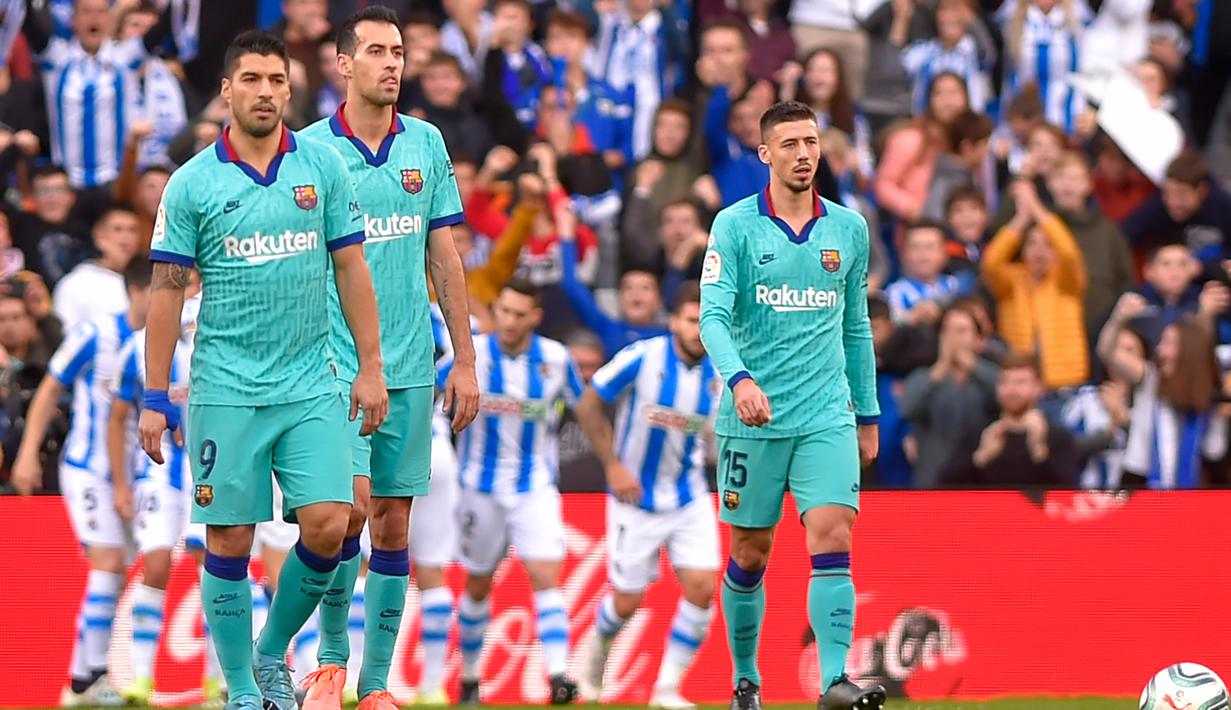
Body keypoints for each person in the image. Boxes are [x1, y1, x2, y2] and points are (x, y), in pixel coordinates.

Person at [139, 31, 388, 710]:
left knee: (333, 523)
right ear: (227, 89)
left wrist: (370, 366)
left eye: (277, 80)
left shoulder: (322, 168)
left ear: (290, 88)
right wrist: (153, 394)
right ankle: (246, 692)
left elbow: (351, 268)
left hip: (311, 381)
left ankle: (270, 648)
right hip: (226, 388)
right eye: (251, 79)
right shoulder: (193, 182)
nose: (265, 92)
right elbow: (165, 291)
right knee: (229, 537)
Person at [297, 9, 480, 709]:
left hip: (411, 364)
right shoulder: (309, 150)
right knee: (345, 512)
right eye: (375, 51)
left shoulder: (426, 144)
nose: (392, 63)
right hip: (333, 364)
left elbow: (445, 257)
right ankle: (329, 668)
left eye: (398, 51)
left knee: (394, 525)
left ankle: (374, 686)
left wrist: (461, 359)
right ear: (343, 64)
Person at [698, 101, 884, 709]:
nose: (804, 154)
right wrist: (741, 380)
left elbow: (856, 327)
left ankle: (834, 681)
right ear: (766, 154)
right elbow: (713, 319)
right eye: (790, 144)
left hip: (827, 414)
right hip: (753, 420)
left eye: (811, 142)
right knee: (750, 552)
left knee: (833, 536)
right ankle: (746, 680)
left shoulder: (849, 230)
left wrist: (868, 412)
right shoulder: (734, 226)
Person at [9, 259, 152, 706]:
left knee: (117, 569)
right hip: (88, 468)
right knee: (108, 562)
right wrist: (29, 453)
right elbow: (50, 389)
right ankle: (84, 681)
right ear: (135, 291)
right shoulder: (95, 334)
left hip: (139, 474)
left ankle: (84, 677)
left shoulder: (169, 342)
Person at [573, 281, 721, 710]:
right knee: (626, 602)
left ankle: (666, 690)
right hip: (633, 498)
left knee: (702, 587)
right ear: (674, 321)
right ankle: (594, 659)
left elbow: (716, 442)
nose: (698, 330)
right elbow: (588, 403)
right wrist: (614, 466)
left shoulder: (721, 373)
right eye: (691, 320)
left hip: (688, 495)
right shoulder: (644, 356)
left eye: (705, 321)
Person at [448, 278, 584, 706]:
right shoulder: (471, 356)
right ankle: (470, 678)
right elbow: (433, 394)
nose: (509, 321)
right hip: (478, 487)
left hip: (534, 486)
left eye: (519, 314)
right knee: (477, 584)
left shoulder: (557, 360)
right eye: (504, 311)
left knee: (546, 575)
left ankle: (559, 675)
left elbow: (587, 407)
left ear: (535, 318)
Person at [106, 278, 224, 705]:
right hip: (158, 473)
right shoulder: (137, 347)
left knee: (212, 566)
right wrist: (121, 481)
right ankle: (139, 678)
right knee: (155, 564)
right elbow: (117, 416)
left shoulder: (217, 333)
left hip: (209, 467)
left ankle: (219, 677)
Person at [410, 304, 470, 705]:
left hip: (377, 442)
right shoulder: (445, 316)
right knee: (432, 571)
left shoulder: (356, 294)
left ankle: (345, 677)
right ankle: (432, 687)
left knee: (358, 566)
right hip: (436, 447)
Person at [1098, 303, 1227, 489]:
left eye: (1168, 343)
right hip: (1140, 484)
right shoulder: (1150, 378)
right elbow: (1107, 352)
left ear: (1188, 350)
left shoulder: (1208, 396)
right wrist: (1118, 318)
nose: (1160, 350)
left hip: (1191, 491)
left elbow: (1214, 452)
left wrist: (1218, 420)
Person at [981, 180, 1089, 390]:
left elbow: (1068, 252)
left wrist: (1036, 208)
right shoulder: (1010, 282)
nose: (1039, 251)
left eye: (1047, 244)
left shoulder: (1068, 282)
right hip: (1021, 384)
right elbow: (991, 262)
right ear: (1022, 250)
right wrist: (1021, 219)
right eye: (1032, 243)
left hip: (1065, 382)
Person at [939, 351, 1081, 486]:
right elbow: (942, 488)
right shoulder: (978, 435)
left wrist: (1039, 451)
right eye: (1005, 382)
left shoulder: (1058, 439)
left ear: (1039, 388)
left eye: (1020, 382)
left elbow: (1069, 495)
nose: (1011, 390)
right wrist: (981, 457)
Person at [899, 304, 1000, 488]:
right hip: (932, 480)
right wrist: (940, 368)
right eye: (947, 331)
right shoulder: (924, 376)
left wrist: (972, 366)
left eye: (961, 331)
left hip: (981, 483)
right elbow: (907, 409)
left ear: (978, 339)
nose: (953, 339)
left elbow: (1004, 396)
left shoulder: (990, 375)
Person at [1046, 150, 1134, 340]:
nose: (1068, 185)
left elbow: (1126, 281)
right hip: (1051, 330)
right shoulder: (1040, 228)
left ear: (1088, 184)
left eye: (1075, 178)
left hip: (1100, 330)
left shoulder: (1108, 230)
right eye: (1061, 177)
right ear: (1049, 183)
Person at [51, 206, 141, 329]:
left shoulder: (148, 281)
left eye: (132, 230)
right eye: (117, 229)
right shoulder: (75, 283)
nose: (126, 237)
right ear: (98, 234)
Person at [885, 221, 972, 325]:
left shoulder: (954, 285)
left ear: (944, 254)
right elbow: (890, 323)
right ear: (903, 254)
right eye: (915, 247)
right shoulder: (895, 293)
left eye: (930, 247)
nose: (923, 255)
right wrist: (912, 317)